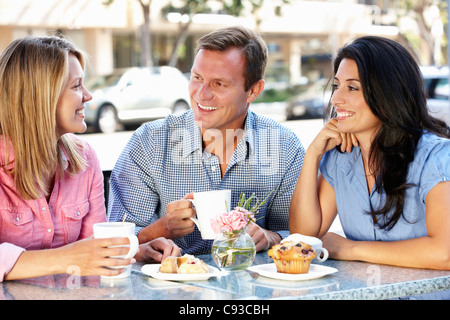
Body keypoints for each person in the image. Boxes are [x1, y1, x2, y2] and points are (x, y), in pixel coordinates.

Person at [108, 26, 305, 254]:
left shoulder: (284, 147)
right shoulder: (148, 143)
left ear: (253, 91)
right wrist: (162, 228)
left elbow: (300, 234)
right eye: (197, 78)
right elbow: (116, 242)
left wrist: (270, 237)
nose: (201, 94)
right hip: (170, 285)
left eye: (218, 83)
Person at [0, 35, 180, 282]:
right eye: (76, 86)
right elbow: (77, 256)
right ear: (40, 96)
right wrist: (67, 258)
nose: (88, 95)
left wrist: (134, 251)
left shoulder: (84, 158)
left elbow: (91, 247)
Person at [289, 36, 450, 270]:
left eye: (352, 88)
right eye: (336, 86)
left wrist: (350, 249)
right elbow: (304, 237)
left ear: (387, 96)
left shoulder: (436, 157)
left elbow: (444, 252)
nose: (336, 99)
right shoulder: (339, 158)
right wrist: (312, 155)